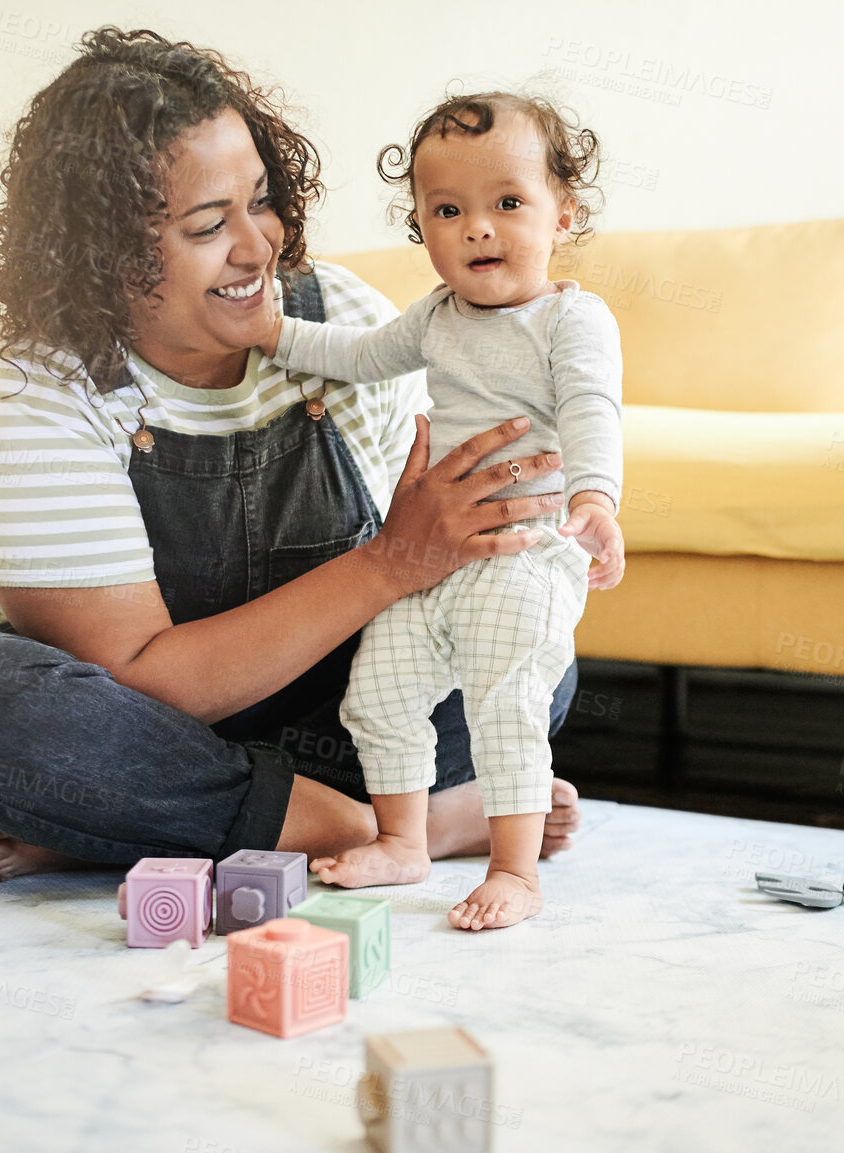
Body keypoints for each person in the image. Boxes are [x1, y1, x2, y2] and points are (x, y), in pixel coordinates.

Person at [0, 28, 586, 890]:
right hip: (135, 713)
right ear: (104, 255)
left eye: (259, 200)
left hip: (320, 709)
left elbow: (445, 567)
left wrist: (492, 548)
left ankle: (144, 818)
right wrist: (394, 562)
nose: (257, 246)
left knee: (522, 636)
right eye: (205, 225)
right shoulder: (33, 382)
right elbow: (140, 677)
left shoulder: (340, 321)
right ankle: (366, 823)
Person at [257, 93, 624, 930]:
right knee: (377, 692)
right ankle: (403, 840)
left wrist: (596, 498)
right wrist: (269, 332)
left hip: (526, 551)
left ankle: (515, 870)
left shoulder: (571, 319)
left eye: (507, 203)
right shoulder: (434, 316)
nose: (477, 229)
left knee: (507, 704)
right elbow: (352, 357)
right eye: (447, 210)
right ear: (421, 225)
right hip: (436, 555)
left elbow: (591, 409)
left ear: (562, 215)